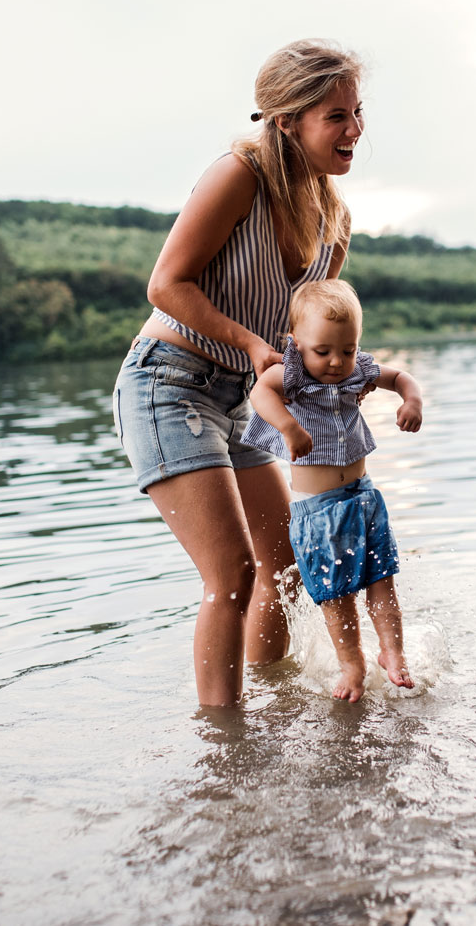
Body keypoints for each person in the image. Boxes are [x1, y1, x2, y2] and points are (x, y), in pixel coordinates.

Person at [115, 39, 363, 708]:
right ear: (287, 120)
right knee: (231, 574)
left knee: (283, 568)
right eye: (335, 116)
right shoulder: (237, 176)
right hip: (169, 383)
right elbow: (166, 285)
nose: (354, 130)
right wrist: (255, 346)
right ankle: (222, 748)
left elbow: (304, 334)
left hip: (241, 399)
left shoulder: (334, 220)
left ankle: (271, 710)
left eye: (357, 112)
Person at [245, 278, 428, 701]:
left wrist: (412, 401)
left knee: (382, 580)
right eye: (322, 351)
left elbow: (402, 377)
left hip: (364, 498)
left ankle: (393, 652)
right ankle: (352, 665)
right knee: (338, 595)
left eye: (347, 350)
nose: (335, 361)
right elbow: (260, 394)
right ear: (295, 343)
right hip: (318, 510)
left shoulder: (358, 368)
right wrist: (289, 427)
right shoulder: (288, 373)